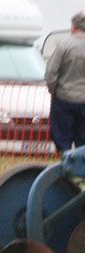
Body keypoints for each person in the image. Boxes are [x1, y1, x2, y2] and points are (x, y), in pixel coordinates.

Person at [45, 11, 85, 151]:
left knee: (62, 139)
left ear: (74, 26)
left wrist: (53, 90)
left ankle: (66, 166)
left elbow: (51, 72)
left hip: (64, 100)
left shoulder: (64, 45)